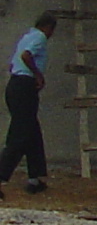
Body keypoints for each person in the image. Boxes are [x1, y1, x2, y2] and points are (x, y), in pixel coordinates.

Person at [2, 10, 58, 195]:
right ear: (48, 27)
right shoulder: (40, 37)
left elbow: (13, 64)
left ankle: (36, 178)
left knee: (31, 131)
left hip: (15, 85)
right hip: (25, 86)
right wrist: (38, 75)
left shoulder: (27, 35)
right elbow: (27, 56)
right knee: (20, 134)